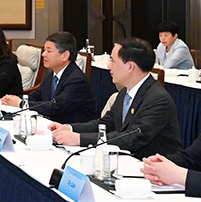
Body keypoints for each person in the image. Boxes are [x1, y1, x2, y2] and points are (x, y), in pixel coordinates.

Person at [50, 37, 182, 159]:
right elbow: (105, 124)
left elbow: (132, 137)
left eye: (112, 61)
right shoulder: (125, 92)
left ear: (130, 66)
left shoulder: (158, 99)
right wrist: (70, 128)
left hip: (153, 168)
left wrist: (79, 139)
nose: (109, 66)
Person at [0, 31, 96, 123]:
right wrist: (11, 99)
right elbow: (35, 96)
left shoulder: (77, 80)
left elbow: (56, 107)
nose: (43, 54)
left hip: (72, 130)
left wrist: (21, 103)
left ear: (65, 55)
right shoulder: (51, 75)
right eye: (44, 50)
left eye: (49, 51)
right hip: (52, 125)